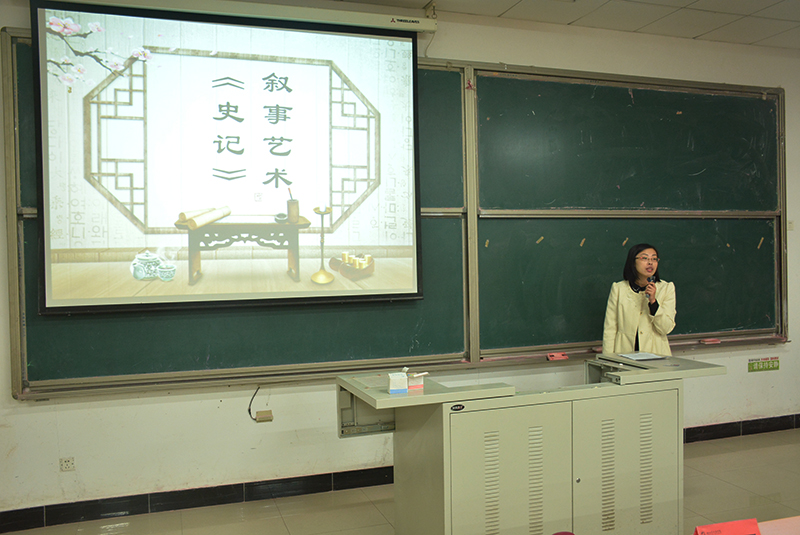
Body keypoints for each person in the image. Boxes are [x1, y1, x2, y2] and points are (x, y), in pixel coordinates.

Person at [602, 243, 676, 356]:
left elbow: (666, 328)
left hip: (656, 356)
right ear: (633, 261)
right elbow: (610, 329)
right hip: (624, 355)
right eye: (644, 258)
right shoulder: (619, 289)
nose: (650, 262)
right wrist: (608, 359)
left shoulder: (666, 288)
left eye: (654, 259)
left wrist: (653, 303)